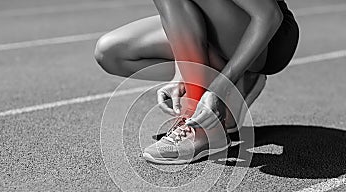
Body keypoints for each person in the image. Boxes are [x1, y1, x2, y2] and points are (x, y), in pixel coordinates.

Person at [95, 0, 299, 164]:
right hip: (222, 28)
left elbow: (269, 16)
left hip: (269, 40)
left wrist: (220, 88)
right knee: (110, 53)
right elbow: (180, 13)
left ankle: (204, 130)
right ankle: (242, 83)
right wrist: (181, 75)